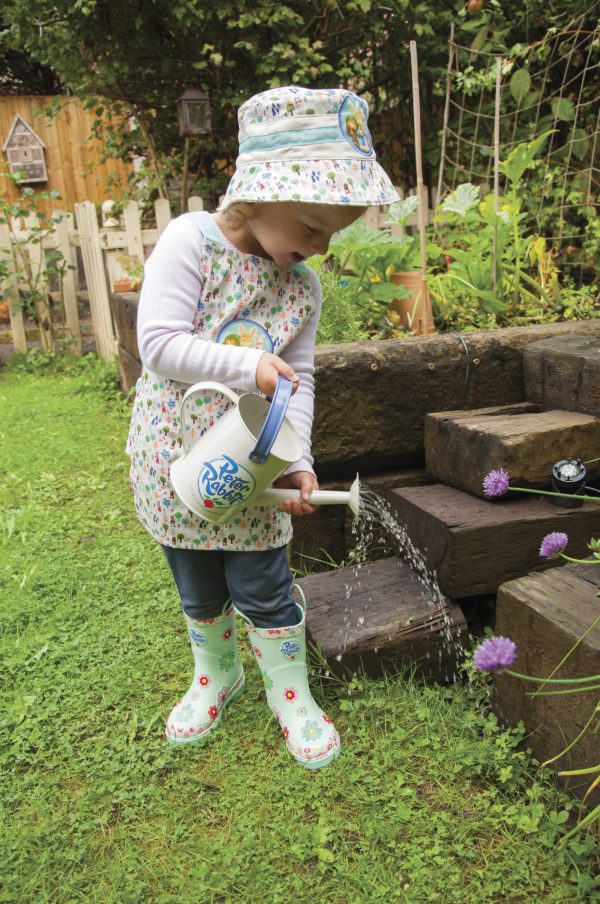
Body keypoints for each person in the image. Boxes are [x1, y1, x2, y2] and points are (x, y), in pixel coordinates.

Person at [126, 85, 398, 769]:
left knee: (263, 584)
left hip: (255, 468)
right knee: (197, 583)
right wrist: (253, 370)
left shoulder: (302, 290)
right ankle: (217, 674)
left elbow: (297, 387)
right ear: (260, 191)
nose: (320, 248)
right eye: (311, 228)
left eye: (332, 235)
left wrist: (299, 460)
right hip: (176, 455)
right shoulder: (191, 242)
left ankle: (291, 692)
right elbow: (158, 342)